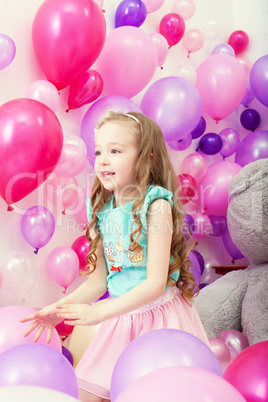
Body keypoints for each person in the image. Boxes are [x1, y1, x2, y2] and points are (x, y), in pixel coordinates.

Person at [21, 111, 209, 402]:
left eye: (115, 151)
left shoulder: (155, 204)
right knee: (89, 393)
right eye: (98, 152)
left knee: (154, 392)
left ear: (146, 158)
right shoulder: (100, 209)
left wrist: (98, 313)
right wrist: (60, 308)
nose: (103, 160)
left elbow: (155, 283)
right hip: (121, 318)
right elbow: (99, 283)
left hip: (159, 317)